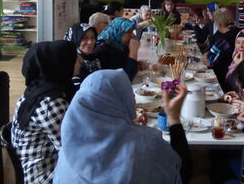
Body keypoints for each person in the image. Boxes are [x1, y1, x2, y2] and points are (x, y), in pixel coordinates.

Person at [53, 69, 192, 184]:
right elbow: (182, 172)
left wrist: (125, 127)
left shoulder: (68, 149)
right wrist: (173, 117)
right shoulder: (146, 147)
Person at [11, 41, 81, 184]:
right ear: (60, 64)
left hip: (46, 161)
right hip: (45, 174)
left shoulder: (38, 89)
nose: (80, 60)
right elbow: (73, 149)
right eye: (74, 58)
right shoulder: (52, 104)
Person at [203, 8, 239, 89]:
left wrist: (205, 55)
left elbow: (209, 62)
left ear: (218, 24)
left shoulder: (223, 41)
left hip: (223, 78)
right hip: (238, 75)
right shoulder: (239, 31)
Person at [63, 23, 101, 88]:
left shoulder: (95, 59)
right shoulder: (70, 63)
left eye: (93, 38)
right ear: (74, 39)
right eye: (84, 38)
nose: (90, 42)